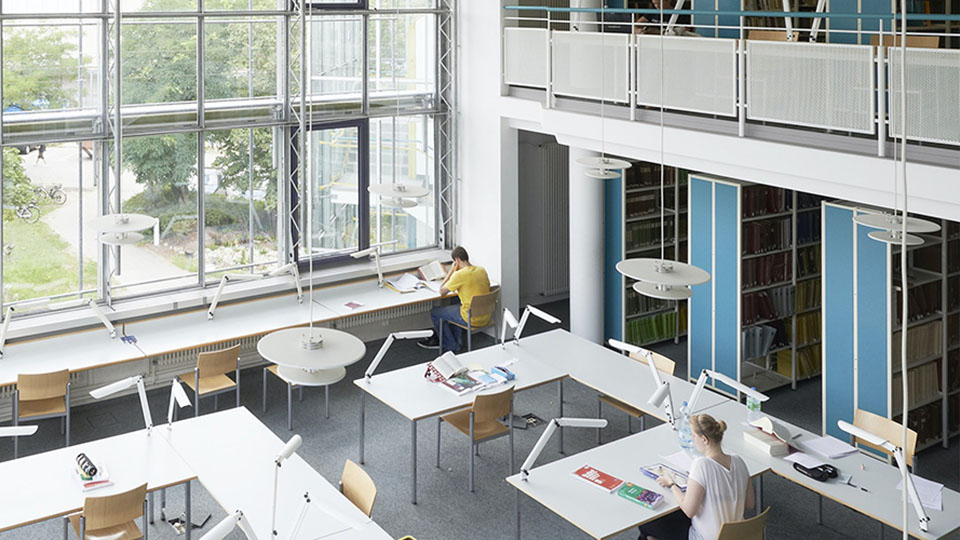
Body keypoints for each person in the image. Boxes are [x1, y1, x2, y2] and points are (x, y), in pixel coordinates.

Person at [640, 413, 754, 540]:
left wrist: (672, 484)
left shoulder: (701, 464)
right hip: (738, 535)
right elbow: (749, 504)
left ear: (705, 439)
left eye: (694, 435)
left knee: (646, 525)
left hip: (704, 537)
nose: (692, 439)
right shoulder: (739, 461)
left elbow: (689, 511)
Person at [418, 246, 490, 353]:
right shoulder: (481, 270)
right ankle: (458, 342)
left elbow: (441, 291)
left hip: (470, 318)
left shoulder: (459, 275)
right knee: (455, 301)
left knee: (435, 312)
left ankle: (450, 345)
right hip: (486, 316)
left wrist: (451, 271)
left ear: (457, 260)